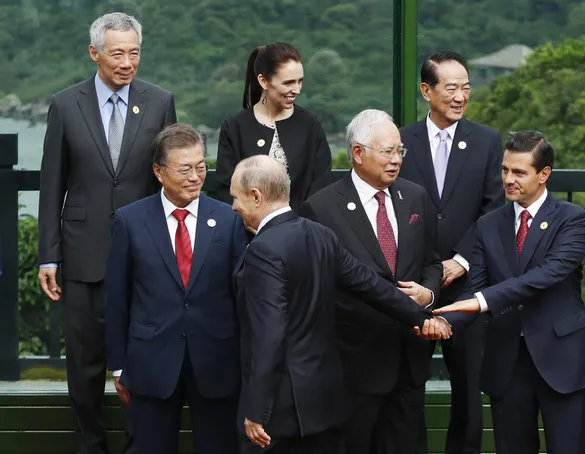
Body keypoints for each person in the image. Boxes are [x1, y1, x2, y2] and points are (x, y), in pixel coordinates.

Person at [230, 155, 451, 454]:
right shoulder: (321, 236)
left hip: (280, 411)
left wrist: (257, 408)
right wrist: (421, 317)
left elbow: (269, 334)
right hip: (325, 401)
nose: (233, 207)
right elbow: (372, 286)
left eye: (236, 198)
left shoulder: (262, 250)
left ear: (256, 196)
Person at [36, 11, 177, 454]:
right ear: (94, 53)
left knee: (142, 354)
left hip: (145, 253)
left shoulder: (159, 101)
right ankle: (91, 445)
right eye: (117, 53)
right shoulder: (65, 104)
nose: (127, 62)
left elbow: (169, 178)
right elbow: (51, 185)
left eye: (134, 52)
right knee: (84, 360)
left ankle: (141, 445)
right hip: (83, 253)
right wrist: (48, 255)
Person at [434, 130, 585, 454]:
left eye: (519, 172)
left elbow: (545, 276)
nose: (508, 179)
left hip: (563, 362)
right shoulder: (488, 225)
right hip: (507, 364)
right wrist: (442, 322)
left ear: (544, 175)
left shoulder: (572, 220)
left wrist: (480, 302)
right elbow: (475, 286)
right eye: (504, 170)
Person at [300, 109, 442, 454]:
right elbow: (318, 292)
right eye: (387, 152)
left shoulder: (415, 197)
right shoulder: (321, 209)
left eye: (400, 151)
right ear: (358, 153)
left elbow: (433, 261)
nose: (396, 160)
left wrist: (429, 293)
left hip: (409, 358)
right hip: (353, 365)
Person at [105, 123, 247, 454]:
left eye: (201, 167)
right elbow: (117, 298)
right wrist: (120, 365)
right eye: (184, 169)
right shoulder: (130, 220)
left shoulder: (228, 219)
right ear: (159, 171)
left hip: (217, 361)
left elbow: (242, 295)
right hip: (150, 362)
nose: (195, 176)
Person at [399, 50, 503, 454]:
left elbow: (494, 209)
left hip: (467, 283)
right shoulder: (401, 141)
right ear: (427, 91)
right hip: (413, 282)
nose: (461, 96)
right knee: (407, 385)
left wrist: (460, 261)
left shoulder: (487, 141)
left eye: (467, 87)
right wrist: (426, 268)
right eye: (451, 88)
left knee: (468, 390)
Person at [215, 41, 332, 216]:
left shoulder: (309, 124)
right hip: (248, 234)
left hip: (301, 231)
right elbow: (225, 189)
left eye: (300, 81)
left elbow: (321, 185)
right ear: (263, 81)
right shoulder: (235, 127)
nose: (297, 89)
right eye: (288, 83)